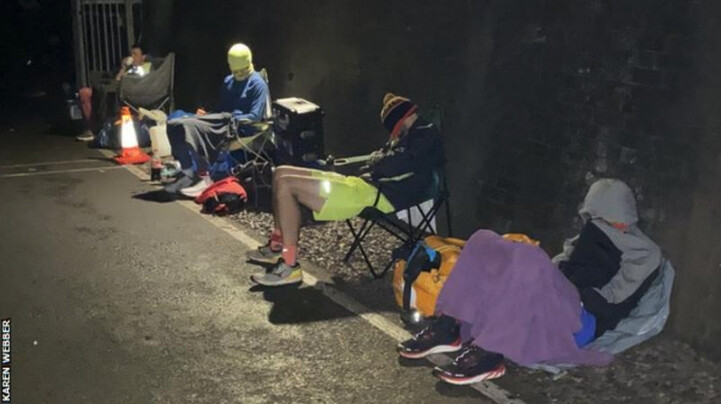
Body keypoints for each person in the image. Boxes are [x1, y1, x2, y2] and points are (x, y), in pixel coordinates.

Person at [398, 179, 662, 385]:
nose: (597, 223)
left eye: (602, 216)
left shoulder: (644, 251)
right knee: (483, 240)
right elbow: (561, 264)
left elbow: (616, 299)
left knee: (530, 257)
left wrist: (570, 292)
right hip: (558, 302)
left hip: (582, 319)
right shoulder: (589, 234)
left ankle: (490, 355)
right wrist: (538, 279)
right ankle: (450, 326)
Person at [247, 93, 445, 287]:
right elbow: (389, 162)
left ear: (401, 119)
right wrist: (380, 159)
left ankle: (289, 265)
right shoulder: (412, 136)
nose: (395, 133)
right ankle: (277, 245)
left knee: (287, 185)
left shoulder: (425, 134)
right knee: (280, 173)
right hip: (362, 187)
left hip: (372, 195)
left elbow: (392, 165)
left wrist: (378, 161)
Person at [163, 43, 269, 198]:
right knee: (176, 120)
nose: (239, 74)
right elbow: (221, 109)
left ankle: (203, 176)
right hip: (221, 120)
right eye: (236, 71)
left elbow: (255, 116)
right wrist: (208, 115)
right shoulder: (229, 81)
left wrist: (229, 119)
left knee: (193, 128)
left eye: (243, 70)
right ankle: (188, 171)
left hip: (238, 126)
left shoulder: (258, 84)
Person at [76, 44, 151, 142]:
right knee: (85, 92)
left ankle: (101, 127)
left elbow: (138, 83)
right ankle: (92, 129)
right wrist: (123, 68)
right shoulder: (128, 68)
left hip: (129, 95)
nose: (132, 57)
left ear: (143, 57)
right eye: (131, 54)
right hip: (113, 91)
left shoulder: (146, 68)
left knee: (106, 96)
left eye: (135, 54)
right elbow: (116, 81)